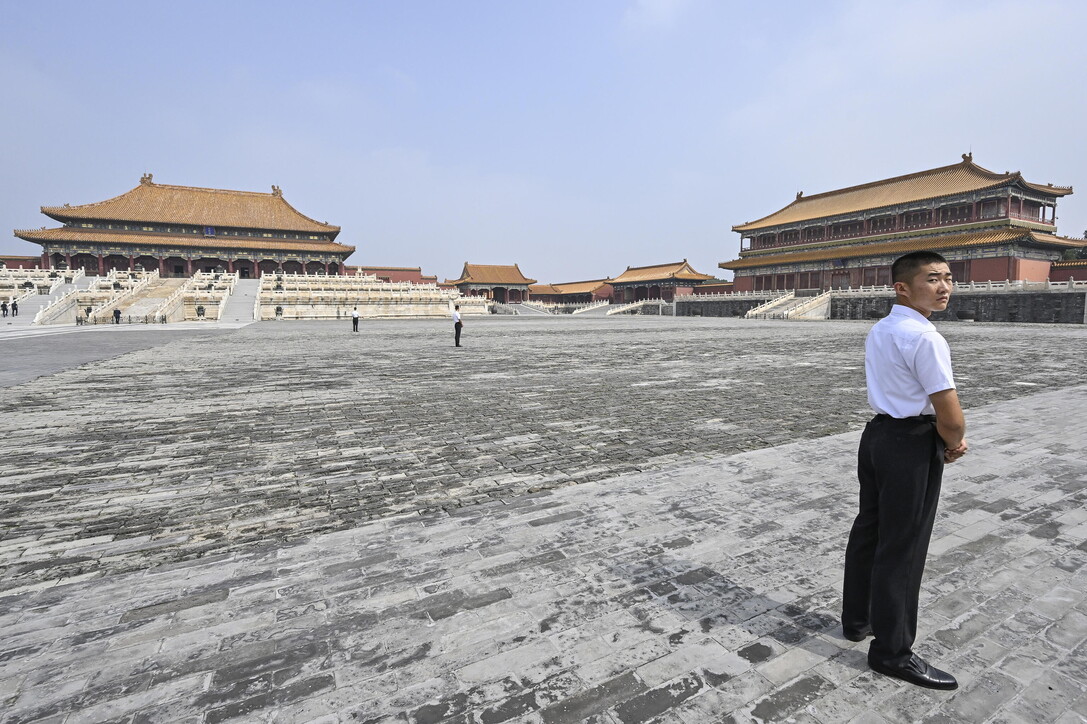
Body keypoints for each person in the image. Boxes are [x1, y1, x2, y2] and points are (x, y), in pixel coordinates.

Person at [842, 250, 967, 691]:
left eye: (949, 278)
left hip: (877, 437)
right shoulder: (926, 337)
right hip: (912, 442)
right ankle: (892, 652)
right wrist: (952, 443)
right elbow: (948, 413)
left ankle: (858, 620)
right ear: (902, 287)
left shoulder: (882, 328)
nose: (945, 287)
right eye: (932, 279)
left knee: (870, 531)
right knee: (904, 547)